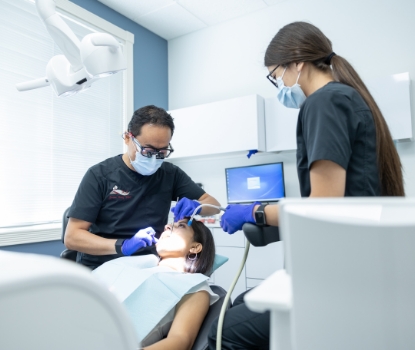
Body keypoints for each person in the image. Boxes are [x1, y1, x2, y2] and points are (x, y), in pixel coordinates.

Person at [209, 21, 405, 349]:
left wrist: (255, 212)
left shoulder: (325, 102)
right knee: (241, 302)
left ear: (296, 63)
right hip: (357, 267)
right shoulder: (345, 98)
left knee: (223, 332)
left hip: (342, 280)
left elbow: (322, 206)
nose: (280, 86)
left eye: (276, 76)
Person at [65, 105, 220, 269]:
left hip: (149, 266)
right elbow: (72, 237)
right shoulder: (100, 176)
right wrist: (122, 246)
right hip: (103, 266)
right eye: (147, 151)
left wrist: (198, 206)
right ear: (127, 138)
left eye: (162, 152)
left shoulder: (170, 174)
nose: (154, 159)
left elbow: (214, 206)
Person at [93, 218, 217, 349]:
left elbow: (180, 341)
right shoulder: (136, 266)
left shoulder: (194, 286)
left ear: (195, 247)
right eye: (170, 225)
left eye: (181, 226)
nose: (167, 227)